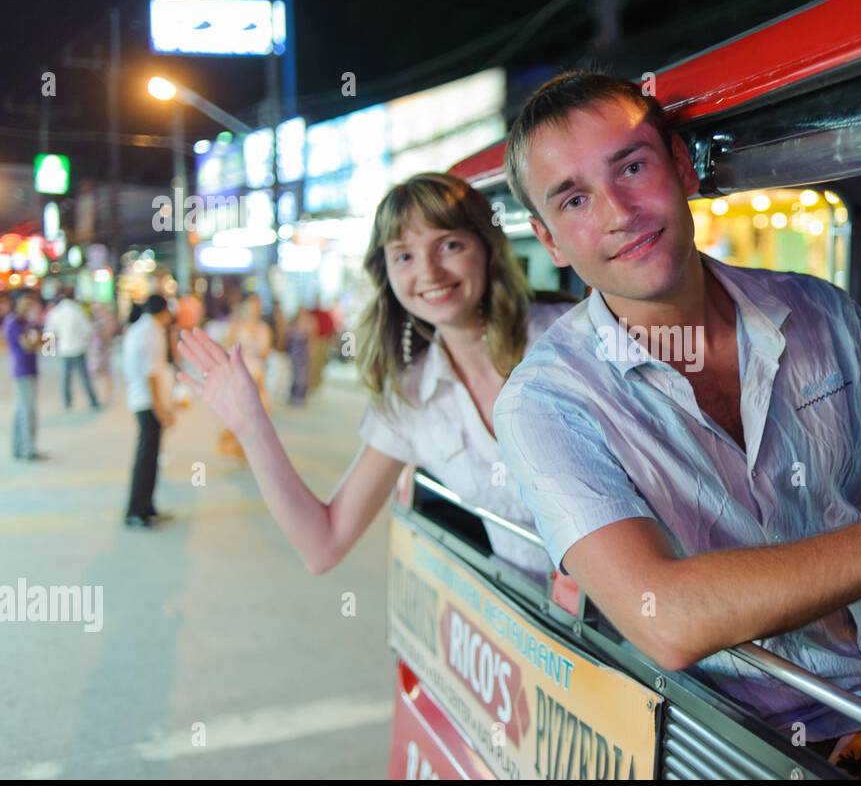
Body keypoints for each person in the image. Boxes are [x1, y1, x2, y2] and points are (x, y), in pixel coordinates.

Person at [493, 72, 861, 777]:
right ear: (551, 240)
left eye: (632, 167)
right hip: (757, 747)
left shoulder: (823, 314)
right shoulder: (545, 403)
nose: (619, 211)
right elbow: (669, 618)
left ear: (683, 167)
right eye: (575, 199)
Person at [177, 172, 573, 581]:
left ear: (486, 250)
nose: (430, 272)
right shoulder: (409, 396)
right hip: (528, 631)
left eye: (450, 245)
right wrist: (251, 424)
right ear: (386, 272)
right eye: (404, 256)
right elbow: (323, 545)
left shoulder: (567, 338)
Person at [122, 294, 175, 527]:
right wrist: (160, 408)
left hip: (141, 399)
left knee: (150, 457)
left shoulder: (140, 328)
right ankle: (137, 510)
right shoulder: (151, 332)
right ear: (162, 312)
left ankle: (146, 507)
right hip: (147, 402)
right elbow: (151, 374)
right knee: (146, 457)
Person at [214, 295, 273, 460]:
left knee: (260, 413)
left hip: (258, 373)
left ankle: (248, 449)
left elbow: (266, 351)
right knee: (240, 411)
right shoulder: (236, 326)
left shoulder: (263, 328)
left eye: (258, 306)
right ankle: (238, 446)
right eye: (252, 306)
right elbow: (227, 347)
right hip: (241, 372)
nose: (255, 309)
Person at [5, 293, 47, 461]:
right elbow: (28, 346)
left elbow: (46, 347)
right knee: (27, 411)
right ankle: (28, 449)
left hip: (29, 370)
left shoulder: (26, 323)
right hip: (22, 372)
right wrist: (38, 341)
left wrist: (41, 338)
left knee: (21, 410)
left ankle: (18, 447)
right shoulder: (14, 323)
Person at [45, 289, 101, 410]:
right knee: (84, 377)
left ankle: (67, 402)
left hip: (64, 349)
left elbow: (49, 331)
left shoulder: (56, 312)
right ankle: (93, 400)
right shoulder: (77, 310)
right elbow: (87, 330)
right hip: (79, 348)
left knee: (65, 377)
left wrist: (48, 352)